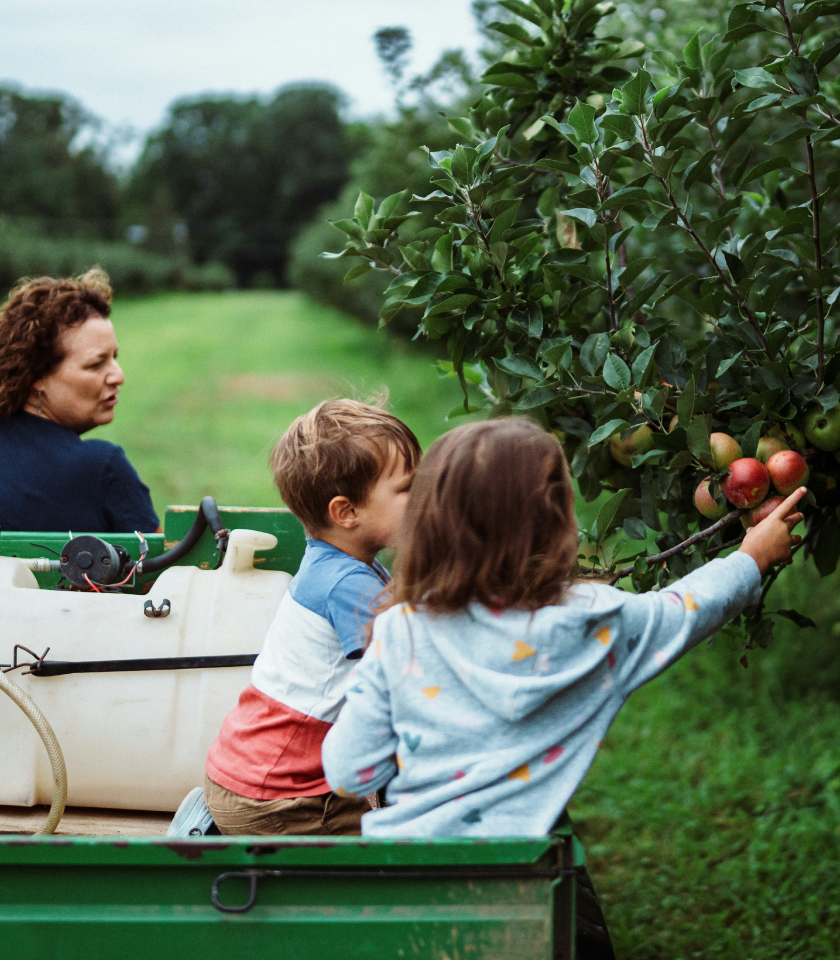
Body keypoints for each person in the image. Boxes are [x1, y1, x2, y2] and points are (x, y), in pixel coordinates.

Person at [321, 418, 805, 835]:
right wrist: (751, 558)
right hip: (525, 874)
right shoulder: (592, 621)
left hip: (409, 875)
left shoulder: (401, 631)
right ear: (557, 520)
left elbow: (348, 773)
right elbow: (685, 607)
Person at [204, 398, 421, 836]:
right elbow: (406, 674)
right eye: (407, 489)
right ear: (346, 512)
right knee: (405, 838)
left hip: (250, 778)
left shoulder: (341, 561)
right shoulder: (347, 586)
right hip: (278, 800)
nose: (423, 499)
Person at [0, 269, 159, 533]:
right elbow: (164, 572)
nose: (118, 376)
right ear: (38, 376)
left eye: (114, 358)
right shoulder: (101, 469)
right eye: (96, 364)